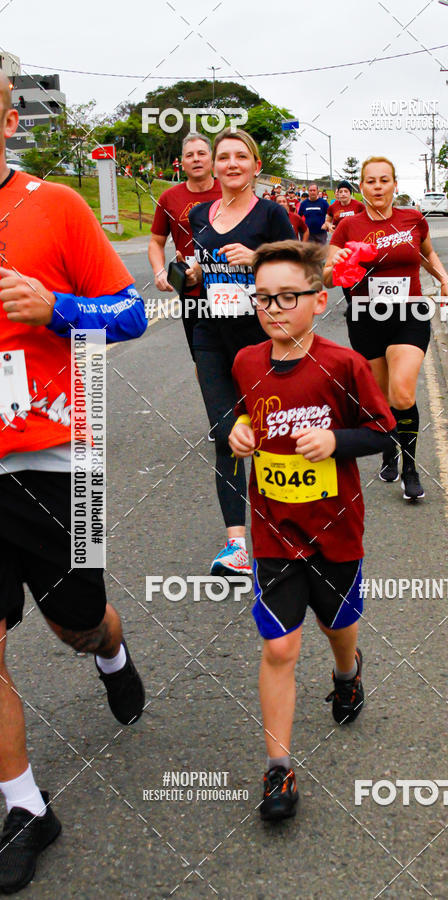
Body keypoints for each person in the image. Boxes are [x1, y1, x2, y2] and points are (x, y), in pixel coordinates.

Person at [0, 74, 147, 893]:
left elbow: (130, 312)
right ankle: (25, 806)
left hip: (61, 456)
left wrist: (54, 307)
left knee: (75, 622)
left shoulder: (54, 205)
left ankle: (111, 646)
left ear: (8, 120)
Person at [229, 240, 397, 821]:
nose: (273, 308)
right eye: (263, 298)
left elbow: (383, 431)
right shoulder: (246, 361)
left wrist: (335, 440)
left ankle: (347, 673)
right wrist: (241, 433)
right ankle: (279, 769)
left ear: (319, 299)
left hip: (335, 531)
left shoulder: (343, 365)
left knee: (337, 627)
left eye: (287, 297)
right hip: (274, 531)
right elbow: (250, 411)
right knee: (279, 646)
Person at [182, 128, 295, 576]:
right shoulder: (199, 215)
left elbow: (298, 263)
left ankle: (284, 532)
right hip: (210, 335)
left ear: (255, 165)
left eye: (240, 157)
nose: (231, 163)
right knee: (227, 434)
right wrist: (188, 272)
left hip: (262, 339)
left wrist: (258, 257)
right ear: (214, 166)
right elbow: (199, 266)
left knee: (270, 436)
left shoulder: (270, 213)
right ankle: (236, 546)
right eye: (223, 156)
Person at [324, 156, 448, 499]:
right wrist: (339, 263)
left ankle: (410, 468)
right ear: (362, 187)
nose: (378, 187)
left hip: (409, 314)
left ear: (395, 185)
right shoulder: (347, 226)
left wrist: (445, 281)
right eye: (371, 181)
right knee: (382, 398)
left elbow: (426, 255)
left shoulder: (412, 219)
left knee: (402, 393)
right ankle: (389, 450)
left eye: (384, 180)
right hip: (366, 317)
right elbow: (326, 276)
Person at [148, 132, 221, 357]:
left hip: (231, 286)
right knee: (203, 358)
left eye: (201, 153)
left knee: (240, 357)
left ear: (212, 158)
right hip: (192, 292)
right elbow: (156, 242)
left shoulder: (231, 190)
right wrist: (160, 271)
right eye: (190, 155)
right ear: (182, 162)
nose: (196, 159)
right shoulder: (169, 197)